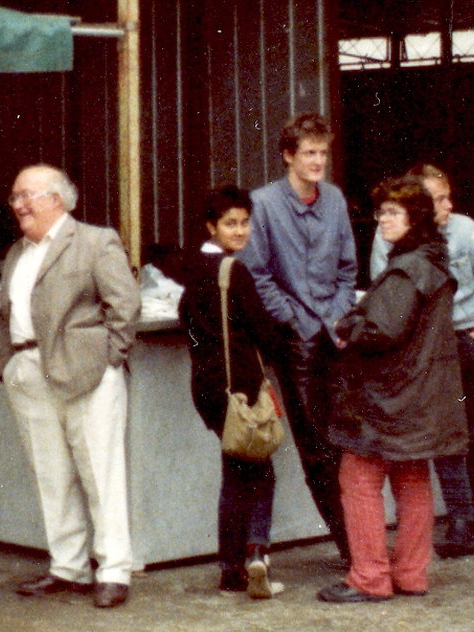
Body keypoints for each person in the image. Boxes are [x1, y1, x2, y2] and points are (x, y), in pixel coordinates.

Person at [0, 164, 141, 609]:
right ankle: (68, 567)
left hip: (87, 375)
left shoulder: (96, 241)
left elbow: (126, 303)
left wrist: (107, 359)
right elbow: (7, 312)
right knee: (51, 474)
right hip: (28, 370)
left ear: (55, 199)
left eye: (26, 195)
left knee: (101, 472)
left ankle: (114, 570)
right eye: (15, 197)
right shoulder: (18, 252)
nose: (17, 205)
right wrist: (8, 364)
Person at [318, 175, 468, 603]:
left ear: (415, 217)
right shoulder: (433, 262)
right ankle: (410, 575)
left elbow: (383, 330)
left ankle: (369, 578)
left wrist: (348, 326)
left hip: (388, 397)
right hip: (417, 396)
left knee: (358, 477)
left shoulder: (408, 268)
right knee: (412, 477)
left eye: (392, 212)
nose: (382, 219)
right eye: (381, 211)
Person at [238, 113, 357, 563]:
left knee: (347, 442)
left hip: (336, 338)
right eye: (308, 152)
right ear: (288, 155)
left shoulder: (336, 200)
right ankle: (353, 548)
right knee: (317, 448)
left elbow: (348, 269)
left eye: (323, 152)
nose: (318, 161)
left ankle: (358, 545)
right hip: (296, 340)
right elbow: (258, 274)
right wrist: (297, 320)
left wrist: (339, 315)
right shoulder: (263, 204)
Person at [370, 164, 474, 557]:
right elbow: (383, 288)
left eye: (447, 196)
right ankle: (462, 519)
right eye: (437, 198)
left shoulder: (465, 231)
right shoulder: (393, 238)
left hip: (468, 339)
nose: (447, 205)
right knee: (447, 436)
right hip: (430, 349)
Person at [172, 185, 284, 598]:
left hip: (206, 387)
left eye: (244, 222)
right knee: (256, 473)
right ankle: (252, 558)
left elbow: (186, 320)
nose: (239, 231)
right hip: (239, 387)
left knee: (237, 470)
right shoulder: (233, 271)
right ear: (211, 226)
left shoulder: (190, 270)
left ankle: (234, 567)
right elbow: (264, 331)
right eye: (230, 223)